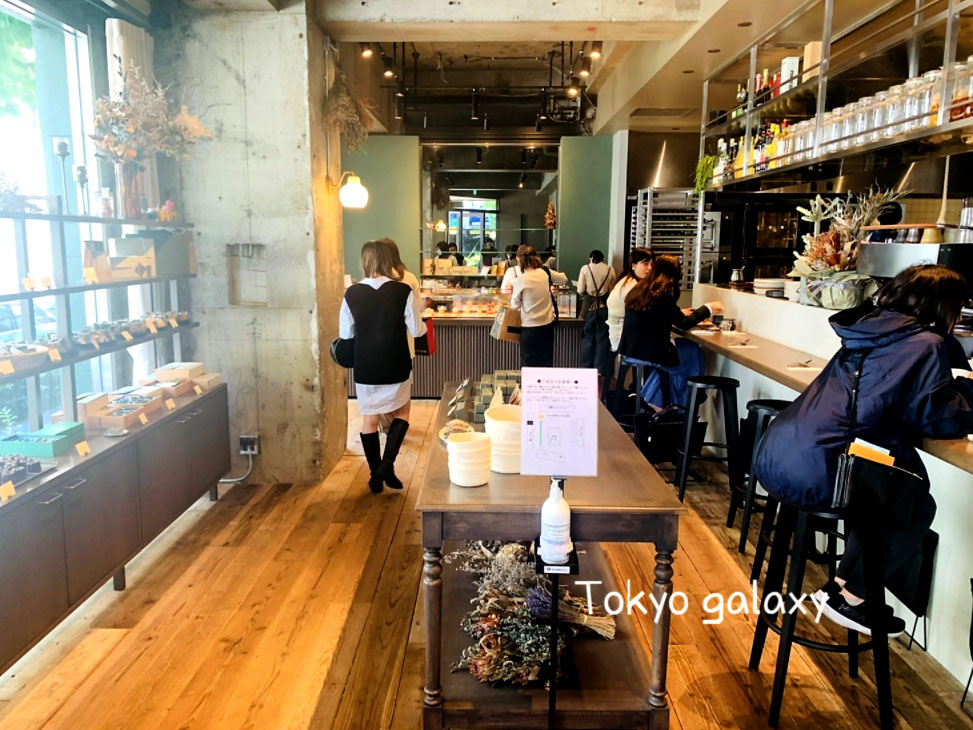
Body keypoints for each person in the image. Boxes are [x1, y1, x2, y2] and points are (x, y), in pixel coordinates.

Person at [754, 264, 973, 636]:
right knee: (916, 504)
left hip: (780, 451)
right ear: (944, 307)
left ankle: (841, 587)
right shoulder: (926, 343)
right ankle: (853, 595)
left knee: (886, 496)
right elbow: (937, 419)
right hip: (822, 469)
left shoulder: (868, 329)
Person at [340, 240, 426, 494]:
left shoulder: (351, 294)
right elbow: (416, 329)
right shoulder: (403, 291)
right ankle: (387, 465)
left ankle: (375, 475)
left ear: (365, 261)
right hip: (396, 361)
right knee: (402, 413)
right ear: (389, 260)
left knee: (369, 419)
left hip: (366, 365)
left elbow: (346, 334)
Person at [618, 255, 722, 406]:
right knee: (692, 351)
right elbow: (684, 324)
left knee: (678, 354)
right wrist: (708, 308)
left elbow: (656, 313)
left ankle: (665, 403)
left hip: (632, 348)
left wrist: (677, 312)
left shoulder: (640, 288)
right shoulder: (662, 293)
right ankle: (692, 398)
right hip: (650, 352)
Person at [510, 244, 568, 367]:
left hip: (529, 328)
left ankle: (531, 386)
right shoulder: (544, 272)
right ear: (535, 257)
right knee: (546, 362)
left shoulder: (521, 280)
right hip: (547, 326)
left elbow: (514, 305)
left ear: (519, 260)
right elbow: (563, 279)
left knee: (529, 363)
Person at [606, 247, 653, 353]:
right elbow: (647, 313)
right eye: (645, 263)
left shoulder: (627, 282)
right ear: (633, 265)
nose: (650, 268)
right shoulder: (630, 286)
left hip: (623, 338)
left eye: (651, 264)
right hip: (627, 340)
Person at [578, 250, 616, 375]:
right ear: (603, 258)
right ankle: (599, 369)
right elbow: (612, 290)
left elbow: (580, 289)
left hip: (589, 308)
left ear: (591, 258)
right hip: (604, 307)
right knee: (602, 338)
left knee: (587, 337)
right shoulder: (610, 269)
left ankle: (586, 367)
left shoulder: (585, 268)